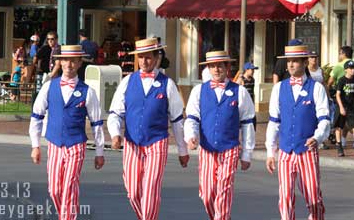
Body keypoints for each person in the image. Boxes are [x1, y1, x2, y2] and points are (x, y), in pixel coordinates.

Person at [108, 38, 189, 220]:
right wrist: (115, 134)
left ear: (156, 58)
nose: (144, 62)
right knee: (133, 190)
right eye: (141, 58)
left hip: (157, 141)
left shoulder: (167, 84)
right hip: (132, 142)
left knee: (151, 187)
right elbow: (115, 112)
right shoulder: (127, 82)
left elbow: (176, 119)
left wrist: (182, 150)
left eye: (148, 57)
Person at [29, 45, 105, 220]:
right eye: (65, 60)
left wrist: (99, 152)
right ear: (59, 62)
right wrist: (35, 145)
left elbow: (97, 123)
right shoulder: (49, 87)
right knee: (55, 189)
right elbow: (36, 116)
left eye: (73, 61)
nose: (69, 64)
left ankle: (68, 216)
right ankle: (69, 213)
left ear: (79, 63)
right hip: (55, 143)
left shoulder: (88, 92)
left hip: (76, 144)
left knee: (69, 186)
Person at [185, 50, 256, 220]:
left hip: (229, 148)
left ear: (227, 67)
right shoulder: (198, 91)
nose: (216, 69)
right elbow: (192, 118)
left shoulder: (239, 91)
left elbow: (247, 123)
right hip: (207, 148)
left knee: (224, 188)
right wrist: (191, 136)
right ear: (208, 68)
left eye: (220, 65)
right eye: (212, 66)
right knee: (208, 193)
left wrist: (246, 153)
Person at [266, 44, 330, 220]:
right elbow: (274, 121)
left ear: (304, 62)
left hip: (307, 151)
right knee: (285, 197)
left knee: (313, 197)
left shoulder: (316, 88)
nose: (291, 65)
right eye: (289, 61)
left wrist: (317, 137)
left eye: (295, 61)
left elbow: (324, 119)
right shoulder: (279, 88)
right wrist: (271, 152)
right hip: (286, 151)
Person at [327, 45, 354, 148]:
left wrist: (328, 88)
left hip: (341, 95)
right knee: (349, 117)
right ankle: (343, 139)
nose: (339, 55)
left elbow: (330, 80)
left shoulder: (339, 66)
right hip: (352, 93)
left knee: (340, 118)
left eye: (340, 53)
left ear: (344, 54)